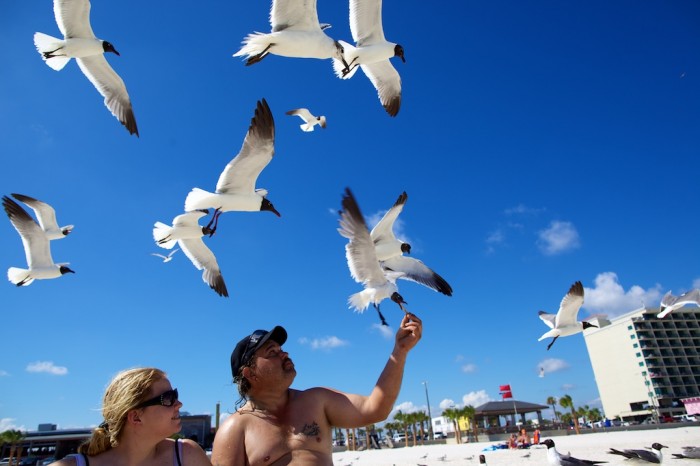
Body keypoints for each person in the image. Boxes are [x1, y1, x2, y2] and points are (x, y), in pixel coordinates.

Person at [212, 312, 423, 465]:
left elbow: (375, 408)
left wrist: (400, 351)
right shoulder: (235, 429)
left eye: (282, 349)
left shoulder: (316, 400)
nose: (284, 354)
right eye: (272, 352)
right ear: (249, 373)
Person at [51, 367, 210, 466]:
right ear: (135, 417)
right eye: (168, 398)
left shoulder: (187, 455)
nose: (179, 403)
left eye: (175, 394)